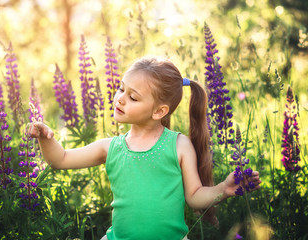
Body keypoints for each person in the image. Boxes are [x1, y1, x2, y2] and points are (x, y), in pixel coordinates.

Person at [28, 56, 261, 240]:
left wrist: (223, 189)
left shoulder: (178, 145)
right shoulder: (111, 147)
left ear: (159, 111)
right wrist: (47, 139)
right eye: (121, 89)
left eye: (133, 97)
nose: (119, 98)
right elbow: (61, 159)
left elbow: (194, 196)